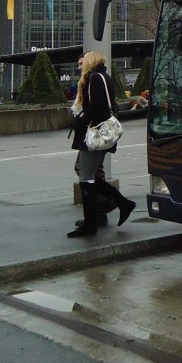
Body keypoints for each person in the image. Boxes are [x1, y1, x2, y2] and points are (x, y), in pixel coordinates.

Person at [67, 52, 136, 238]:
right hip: (100, 131)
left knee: (86, 178)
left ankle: (92, 223)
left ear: (90, 62)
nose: (79, 67)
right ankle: (119, 204)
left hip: (96, 133)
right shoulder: (102, 76)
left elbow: (97, 105)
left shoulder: (95, 77)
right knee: (88, 176)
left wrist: (81, 122)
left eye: (82, 63)